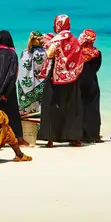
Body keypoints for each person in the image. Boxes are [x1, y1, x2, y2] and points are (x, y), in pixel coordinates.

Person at [37, 14, 84, 147]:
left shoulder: (55, 41)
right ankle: (75, 138)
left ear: (58, 25)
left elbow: (49, 55)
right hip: (72, 78)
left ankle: (51, 139)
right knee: (72, 107)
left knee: (51, 106)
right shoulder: (75, 40)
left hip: (55, 78)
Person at [78, 29, 102, 143]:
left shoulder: (77, 52)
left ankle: (78, 134)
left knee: (79, 107)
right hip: (92, 82)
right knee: (93, 109)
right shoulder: (97, 53)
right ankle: (93, 135)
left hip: (78, 82)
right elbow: (97, 68)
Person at [18, 31, 46, 114]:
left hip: (27, 84)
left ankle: (27, 113)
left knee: (29, 108)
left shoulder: (25, 53)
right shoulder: (45, 53)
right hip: (41, 83)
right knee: (40, 104)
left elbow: (22, 70)